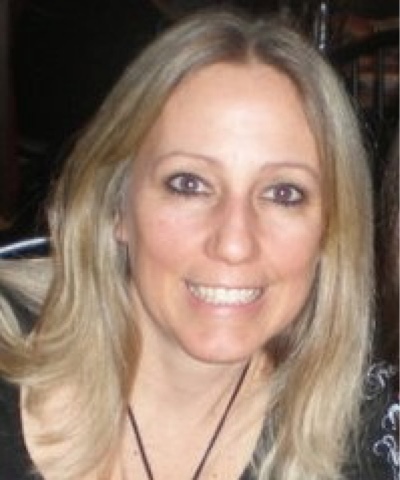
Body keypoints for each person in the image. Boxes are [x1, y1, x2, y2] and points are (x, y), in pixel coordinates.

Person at [0, 8, 398, 480]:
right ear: (116, 207)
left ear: (330, 231)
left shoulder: (358, 432)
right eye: (189, 184)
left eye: (283, 193)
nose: (234, 243)